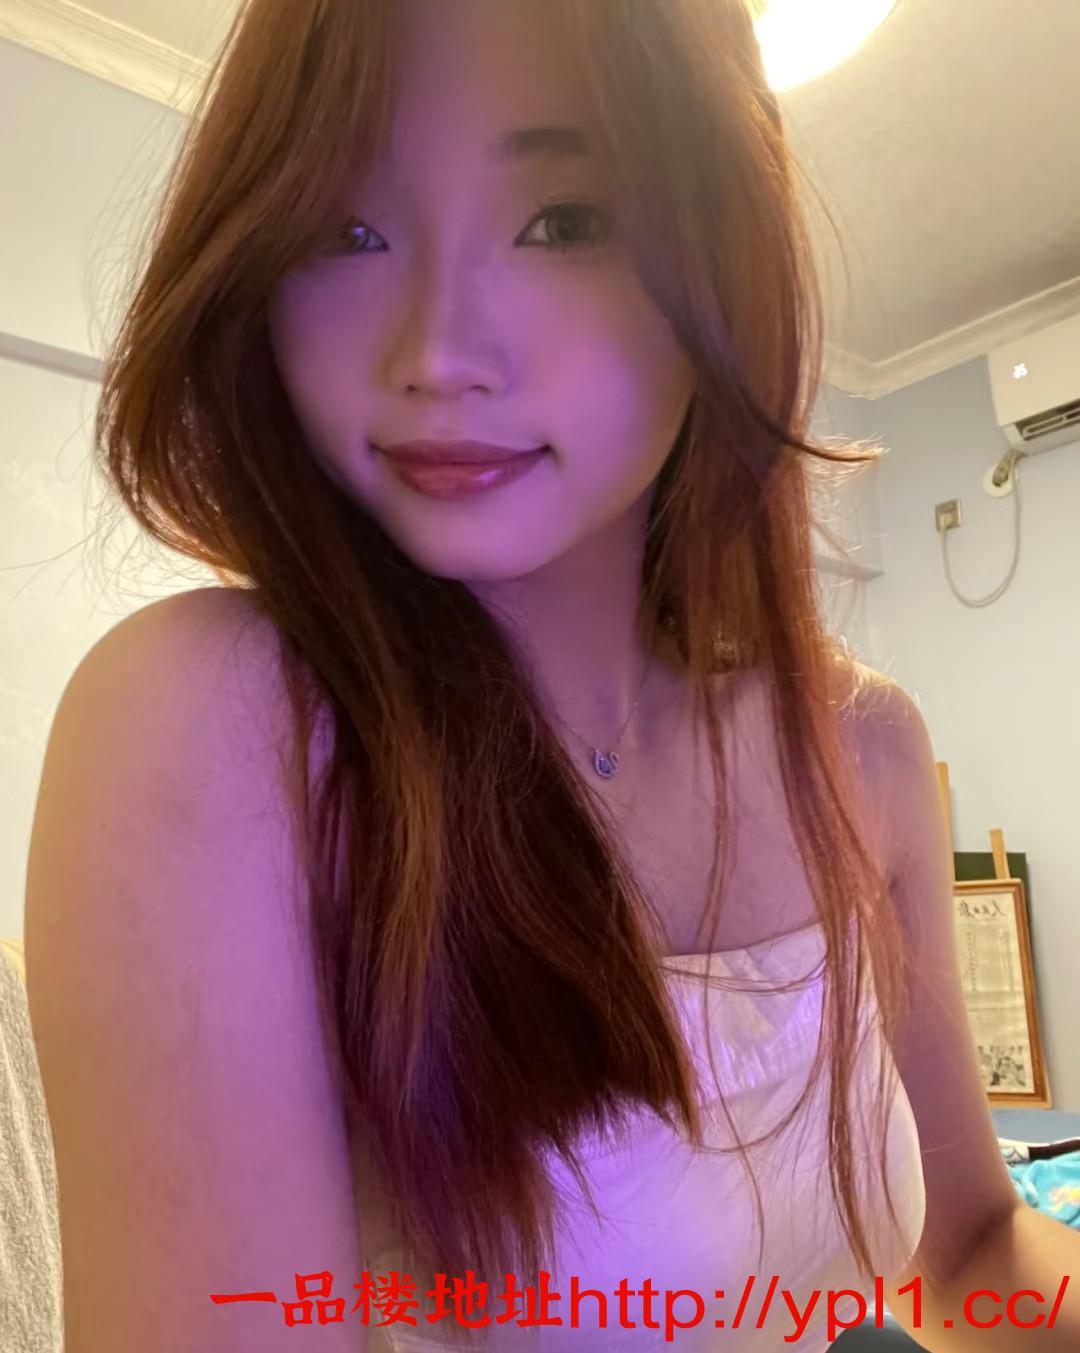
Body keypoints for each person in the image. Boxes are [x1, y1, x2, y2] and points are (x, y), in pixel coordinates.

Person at [23, 2, 1078, 1350]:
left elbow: (971, 1250)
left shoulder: (859, 745)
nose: (434, 353)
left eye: (563, 219)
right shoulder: (221, 726)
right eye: (344, 228)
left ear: (720, 266)